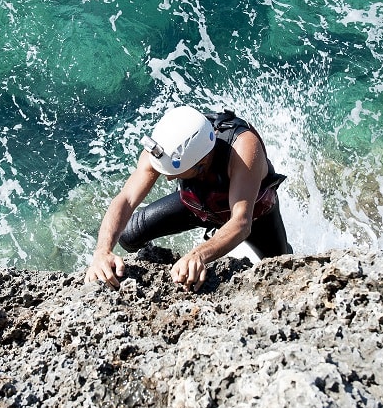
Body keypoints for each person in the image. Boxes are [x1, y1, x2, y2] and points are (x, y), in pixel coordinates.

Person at [86, 106, 291, 292]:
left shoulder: (243, 149)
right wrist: (102, 251)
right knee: (128, 235)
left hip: (255, 216)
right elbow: (126, 198)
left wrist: (197, 255)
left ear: (201, 162)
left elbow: (241, 222)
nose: (167, 177)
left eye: (177, 172)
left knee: (281, 269)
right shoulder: (166, 148)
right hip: (198, 206)